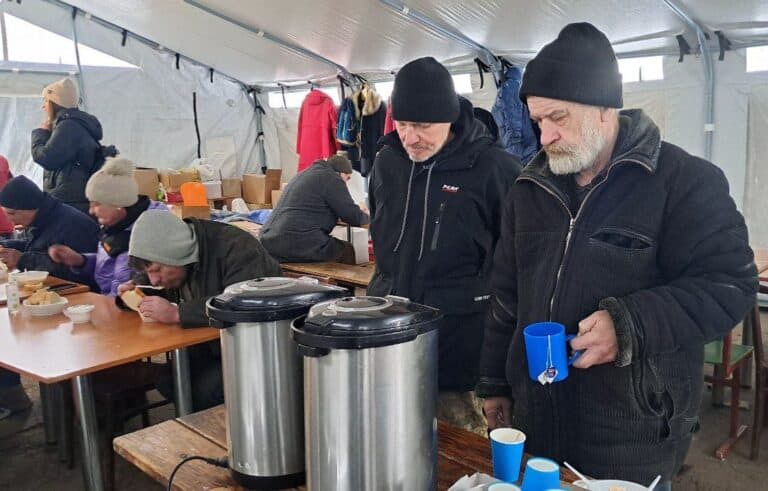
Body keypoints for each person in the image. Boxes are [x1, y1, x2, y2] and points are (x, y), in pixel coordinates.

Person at [476, 23, 758, 489]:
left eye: (558, 118)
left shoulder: (684, 182)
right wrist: (493, 384)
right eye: (537, 120)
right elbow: (507, 294)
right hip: (536, 422)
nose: (543, 136)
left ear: (605, 109)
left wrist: (630, 325)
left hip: (631, 436)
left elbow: (730, 285)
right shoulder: (529, 189)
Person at [367, 57, 521, 432]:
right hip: (390, 338)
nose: (411, 137)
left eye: (422, 125)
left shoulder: (493, 170)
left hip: (459, 352)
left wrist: (499, 372)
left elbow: (517, 266)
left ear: (450, 119)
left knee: (458, 457)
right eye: (402, 124)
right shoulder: (387, 163)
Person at [117, 210, 281, 410]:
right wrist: (131, 295)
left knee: (205, 390)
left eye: (157, 270)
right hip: (210, 346)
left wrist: (178, 313)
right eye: (148, 272)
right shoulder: (170, 257)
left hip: (255, 351)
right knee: (168, 379)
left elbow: (243, 302)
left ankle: (225, 433)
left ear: (178, 255)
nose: (154, 280)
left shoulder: (237, 248)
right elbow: (150, 285)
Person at [48, 157, 166, 296]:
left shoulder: (153, 230)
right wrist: (80, 261)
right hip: (111, 304)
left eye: (96, 204)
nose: (91, 211)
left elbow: (142, 288)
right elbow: (107, 269)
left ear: (117, 204)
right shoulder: (114, 227)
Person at [260, 155, 369, 264]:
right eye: (347, 178)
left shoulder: (305, 174)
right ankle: (342, 281)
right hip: (292, 242)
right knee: (347, 250)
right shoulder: (332, 178)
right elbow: (352, 215)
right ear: (339, 173)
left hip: (269, 239)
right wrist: (371, 220)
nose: (346, 182)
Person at [31, 78, 109, 214]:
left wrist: (41, 133)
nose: (43, 106)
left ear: (53, 103)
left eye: (45, 101)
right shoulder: (77, 125)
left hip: (68, 200)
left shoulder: (68, 126)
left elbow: (47, 158)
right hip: (76, 197)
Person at [0, 176, 98, 281]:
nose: (10, 220)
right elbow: (36, 246)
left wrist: (22, 260)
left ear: (28, 207)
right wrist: (5, 246)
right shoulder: (44, 217)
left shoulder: (72, 225)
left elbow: (76, 269)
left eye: (12, 213)